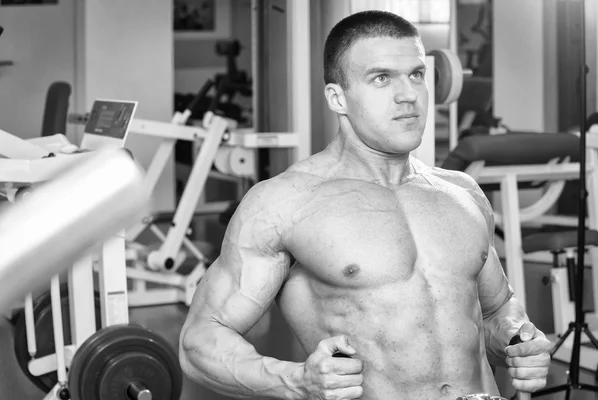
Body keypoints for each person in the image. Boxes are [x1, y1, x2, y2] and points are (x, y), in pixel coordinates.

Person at [179, 10, 552, 400]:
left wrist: (518, 341)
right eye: (381, 78)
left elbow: (496, 311)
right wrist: (296, 382)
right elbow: (200, 340)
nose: (408, 94)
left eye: (417, 74)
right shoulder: (285, 203)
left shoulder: (462, 192)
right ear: (337, 98)